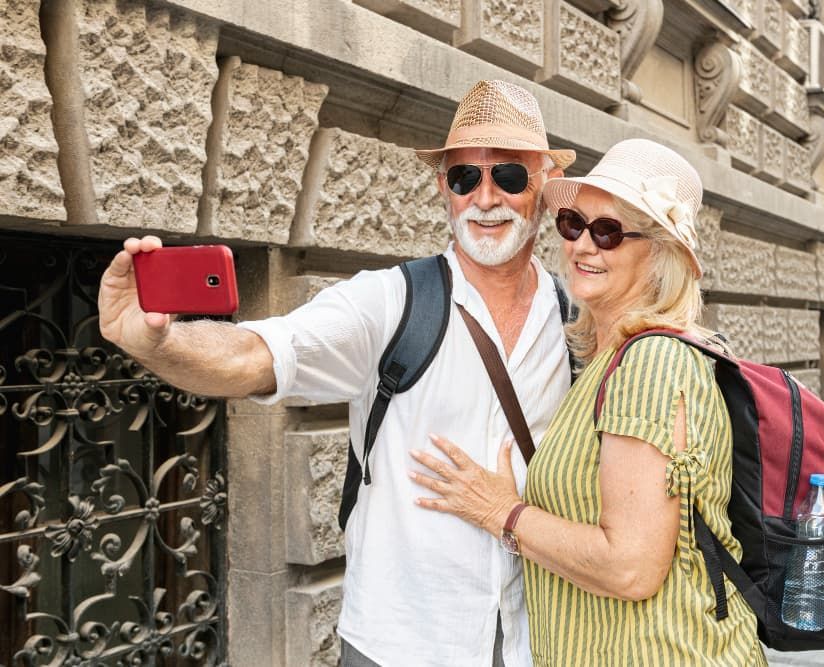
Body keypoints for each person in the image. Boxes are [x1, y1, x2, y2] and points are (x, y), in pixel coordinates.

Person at [98, 80, 576, 667]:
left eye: (508, 176)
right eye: (463, 178)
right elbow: (256, 356)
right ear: (442, 190)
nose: (484, 198)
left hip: (540, 639)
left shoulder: (575, 317)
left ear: (545, 188)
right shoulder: (391, 301)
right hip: (401, 644)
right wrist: (158, 343)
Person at [409, 138, 767, 665]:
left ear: (661, 251)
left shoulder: (650, 364)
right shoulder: (610, 359)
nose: (582, 246)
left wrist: (502, 512)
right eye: (574, 224)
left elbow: (630, 567)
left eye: (609, 232)